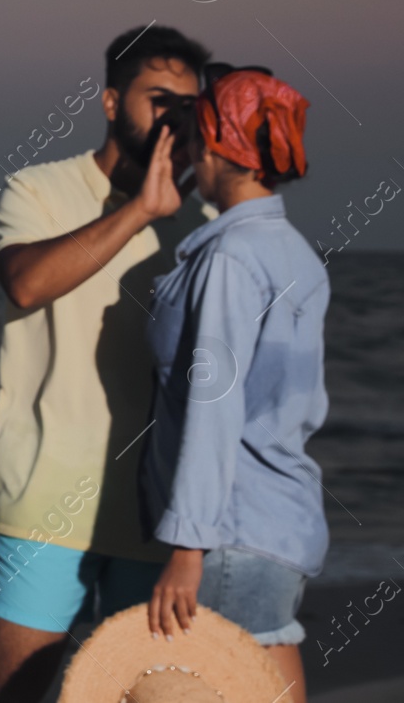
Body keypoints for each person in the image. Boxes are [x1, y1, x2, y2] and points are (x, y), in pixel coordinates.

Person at [0, 25, 213, 703]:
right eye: (157, 99)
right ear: (109, 101)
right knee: (8, 686)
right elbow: (25, 282)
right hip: (48, 496)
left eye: (187, 106)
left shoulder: (206, 220)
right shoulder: (38, 188)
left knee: (142, 691)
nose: (171, 120)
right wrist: (140, 211)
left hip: (159, 513)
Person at [142, 67, 326, 703]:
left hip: (229, 534)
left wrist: (189, 546)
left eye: (195, 137)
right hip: (282, 529)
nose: (189, 152)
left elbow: (213, 405)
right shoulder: (294, 251)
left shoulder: (227, 259)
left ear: (219, 145)